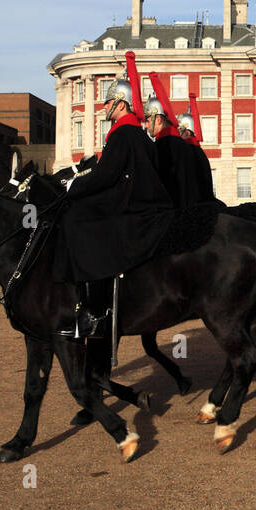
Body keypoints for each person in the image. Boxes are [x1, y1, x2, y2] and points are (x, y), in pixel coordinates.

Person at [52, 62, 175, 338]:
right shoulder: (136, 134)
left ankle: (92, 312)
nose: (104, 107)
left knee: (76, 220)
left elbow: (106, 176)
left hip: (133, 205)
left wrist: (74, 186)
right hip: (142, 201)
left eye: (108, 102)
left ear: (120, 104)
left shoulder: (122, 133)